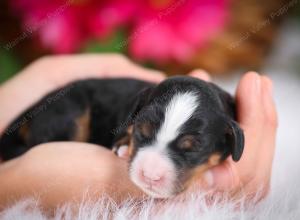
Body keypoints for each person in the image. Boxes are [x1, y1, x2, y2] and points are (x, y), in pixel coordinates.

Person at [0, 54, 277, 211]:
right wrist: (17, 180)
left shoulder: (225, 124)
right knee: (69, 116)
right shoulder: (140, 105)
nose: (151, 171)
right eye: (143, 134)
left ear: (230, 142)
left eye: (189, 149)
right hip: (74, 102)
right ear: (137, 115)